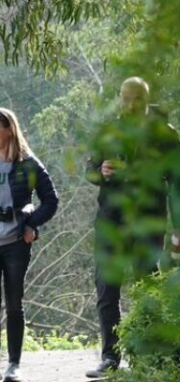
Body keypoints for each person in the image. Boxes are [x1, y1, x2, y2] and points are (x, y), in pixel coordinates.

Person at [85, 77, 180, 378]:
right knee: (106, 290)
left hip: (147, 222)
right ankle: (110, 358)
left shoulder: (165, 135)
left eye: (137, 98)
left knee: (146, 287)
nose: (130, 105)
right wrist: (101, 172)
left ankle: (148, 357)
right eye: (125, 98)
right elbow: (89, 172)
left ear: (147, 98)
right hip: (110, 221)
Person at [0, 107, 59, 382]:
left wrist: (31, 224)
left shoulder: (27, 163)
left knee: (14, 303)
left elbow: (51, 200)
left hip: (15, 242)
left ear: (8, 129)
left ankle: (15, 365)